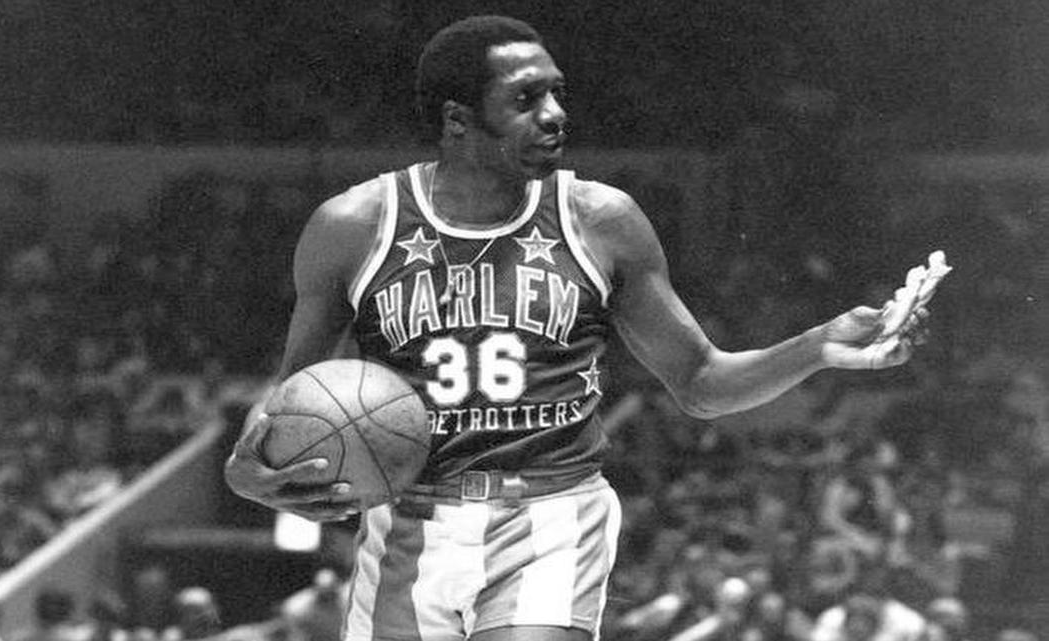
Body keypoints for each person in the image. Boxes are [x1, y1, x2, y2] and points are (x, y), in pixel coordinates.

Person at [224, 15, 931, 641]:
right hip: (406, 523)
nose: (555, 114)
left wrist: (817, 345)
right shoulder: (353, 227)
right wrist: (247, 464)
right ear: (457, 120)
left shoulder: (600, 220)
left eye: (557, 93)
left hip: (550, 517)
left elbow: (700, 382)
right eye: (526, 99)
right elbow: (294, 393)